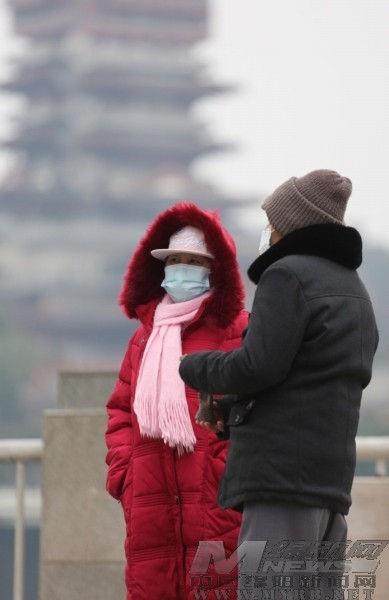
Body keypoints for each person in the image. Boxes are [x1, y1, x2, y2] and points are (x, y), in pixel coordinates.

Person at [179, 170, 379, 593]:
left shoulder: (286, 275)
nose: (266, 229)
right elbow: (310, 380)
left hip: (281, 476)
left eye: (270, 220)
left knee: (270, 589)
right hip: (328, 477)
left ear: (289, 223)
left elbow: (258, 365)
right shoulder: (353, 289)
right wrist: (232, 410)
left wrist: (197, 367)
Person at [105, 202, 249, 600]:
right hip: (151, 504)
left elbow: (257, 408)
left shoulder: (237, 331)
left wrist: (223, 468)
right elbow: (120, 409)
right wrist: (125, 472)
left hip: (218, 507)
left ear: (214, 268)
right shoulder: (145, 336)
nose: (181, 269)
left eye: (193, 261)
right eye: (175, 260)